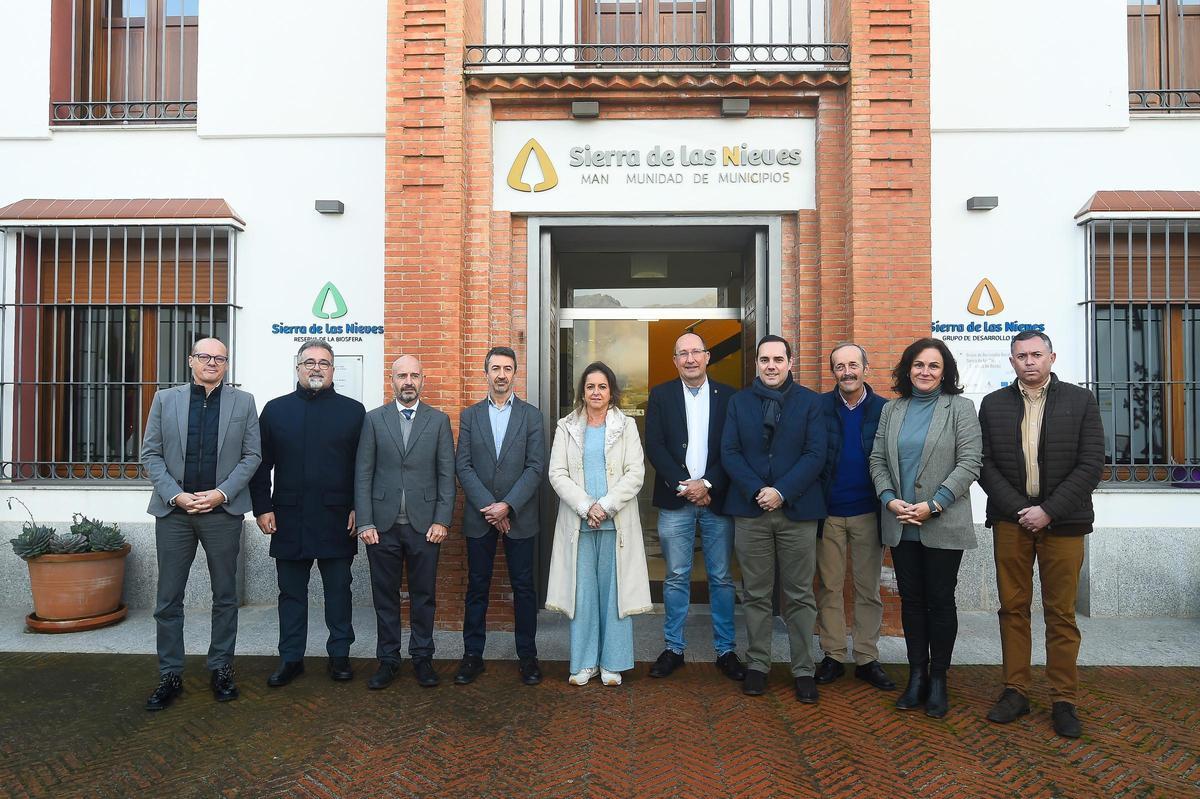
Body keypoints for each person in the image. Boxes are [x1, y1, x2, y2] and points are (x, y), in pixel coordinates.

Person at [978, 330, 1104, 739]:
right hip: (1011, 522)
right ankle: (1015, 690)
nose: (1029, 362)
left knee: (1061, 613)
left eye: (1036, 354)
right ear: (1011, 361)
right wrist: (1022, 511)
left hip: (1064, 523)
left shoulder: (1080, 401)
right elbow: (985, 464)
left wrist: (1048, 511)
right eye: (1021, 356)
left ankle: (1063, 698)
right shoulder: (993, 405)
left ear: (1052, 356)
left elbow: (1091, 465)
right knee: (1012, 608)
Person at [140, 337, 262, 711]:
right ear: (190, 359)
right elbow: (151, 454)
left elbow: (252, 455)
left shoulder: (243, 402)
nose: (212, 362)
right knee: (168, 599)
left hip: (221, 513)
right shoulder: (165, 399)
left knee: (225, 596)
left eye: (220, 358)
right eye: (205, 356)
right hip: (174, 513)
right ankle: (170, 674)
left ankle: (221, 667)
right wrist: (175, 495)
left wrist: (221, 494)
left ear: (226, 365)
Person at [869, 337, 981, 718]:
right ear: (907, 369)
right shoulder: (892, 409)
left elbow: (970, 463)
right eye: (918, 365)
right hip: (901, 521)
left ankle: (939, 681)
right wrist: (889, 497)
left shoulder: (961, 408)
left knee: (940, 601)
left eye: (934, 366)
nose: (925, 372)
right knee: (912, 602)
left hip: (942, 522)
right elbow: (877, 459)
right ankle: (915, 677)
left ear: (945, 371)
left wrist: (934, 505)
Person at [249, 339, 365, 687]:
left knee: (339, 592)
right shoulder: (274, 410)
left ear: (333, 369)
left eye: (324, 363)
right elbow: (260, 465)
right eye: (309, 362)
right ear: (298, 367)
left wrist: (361, 507)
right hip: (288, 518)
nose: (316, 367)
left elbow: (364, 467)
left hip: (337, 517)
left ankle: (340, 656)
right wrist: (263, 508)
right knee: (291, 594)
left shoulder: (353, 411)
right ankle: (290, 658)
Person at [721, 335, 828, 702]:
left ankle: (803, 669)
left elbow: (816, 454)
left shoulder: (811, 403)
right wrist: (758, 491)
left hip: (797, 511)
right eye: (764, 359)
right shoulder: (738, 402)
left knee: (799, 594)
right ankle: (758, 665)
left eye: (778, 359)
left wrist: (781, 491)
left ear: (790, 362)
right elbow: (730, 452)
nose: (771, 365)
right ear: (756, 364)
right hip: (751, 511)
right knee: (756, 594)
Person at [644, 332, 745, 681]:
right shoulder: (660, 395)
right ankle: (674, 648)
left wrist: (708, 484)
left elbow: (734, 447)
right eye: (682, 354)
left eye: (695, 352)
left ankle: (726, 650)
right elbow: (654, 446)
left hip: (717, 500)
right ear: (675, 361)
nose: (689, 359)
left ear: (707, 357)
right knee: (675, 577)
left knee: (720, 577)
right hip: (676, 499)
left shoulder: (730, 397)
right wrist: (685, 485)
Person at [545, 361, 652, 686]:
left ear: (611, 392)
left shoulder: (626, 426)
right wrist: (586, 506)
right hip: (579, 526)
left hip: (615, 525)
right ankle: (584, 663)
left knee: (613, 597)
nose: (596, 392)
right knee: (583, 596)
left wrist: (604, 506)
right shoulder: (567, 426)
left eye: (602, 387)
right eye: (590, 386)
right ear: (582, 391)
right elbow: (556, 473)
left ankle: (612, 663)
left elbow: (636, 473)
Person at [354, 355, 456, 689]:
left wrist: (442, 520)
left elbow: (446, 475)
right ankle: (388, 660)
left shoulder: (439, 421)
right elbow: (363, 474)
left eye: (414, 375)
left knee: (424, 596)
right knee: (385, 597)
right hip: (381, 528)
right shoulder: (373, 420)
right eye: (402, 376)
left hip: (425, 526)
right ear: (392, 380)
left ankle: (423, 658)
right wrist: (365, 522)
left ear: (422, 379)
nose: (408, 381)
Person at [454, 346, 546, 686]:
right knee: (477, 586)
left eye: (507, 368)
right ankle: (472, 656)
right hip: (480, 517)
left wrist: (507, 505)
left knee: (524, 588)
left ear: (515, 373)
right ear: (486, 372)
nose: (501, 374)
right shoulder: (470, 415)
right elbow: (462, 464)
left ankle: (528, 657)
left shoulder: (531, 416)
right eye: (495, 368)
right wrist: (490, 509)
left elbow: (536, 467)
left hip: (519, 517)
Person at [814, 343, 894, 691]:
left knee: (867, 589)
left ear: (866, 368)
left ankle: (866, 657)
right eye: (839, 366)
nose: (847, 372)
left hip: (868, 512)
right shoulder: (818, 408)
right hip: (828, 513)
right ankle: (832, 655)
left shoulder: (885, 410)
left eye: (853, 365)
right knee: (829, 588)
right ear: (833, 371)